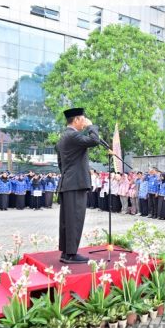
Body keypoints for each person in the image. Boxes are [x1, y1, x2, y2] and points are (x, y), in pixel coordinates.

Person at [56, 107, 101, 264]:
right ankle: (71, 254)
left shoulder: (64, 137)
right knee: (75, 219)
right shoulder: (73, 135)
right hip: (75, 184)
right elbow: (95, 140)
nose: (85, 121)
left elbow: (60, 163)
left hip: (68, 182)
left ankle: (66, 252)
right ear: (75, 120)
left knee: (67, 220)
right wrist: (91, 126)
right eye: (83, 119)